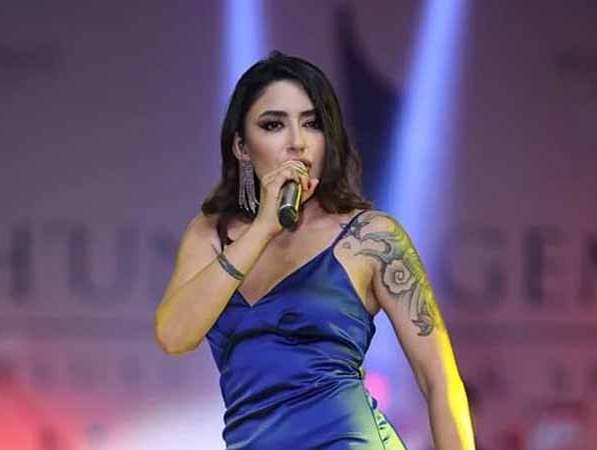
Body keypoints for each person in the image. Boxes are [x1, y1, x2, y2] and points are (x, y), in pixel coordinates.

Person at [155, 50, 475, 450]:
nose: (297, 143)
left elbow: (439, 379)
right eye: (273, 125)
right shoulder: (210, 235)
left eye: (312, 124)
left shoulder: (371, 238)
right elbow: (174, 336)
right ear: (241, 146)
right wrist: (262, 229)